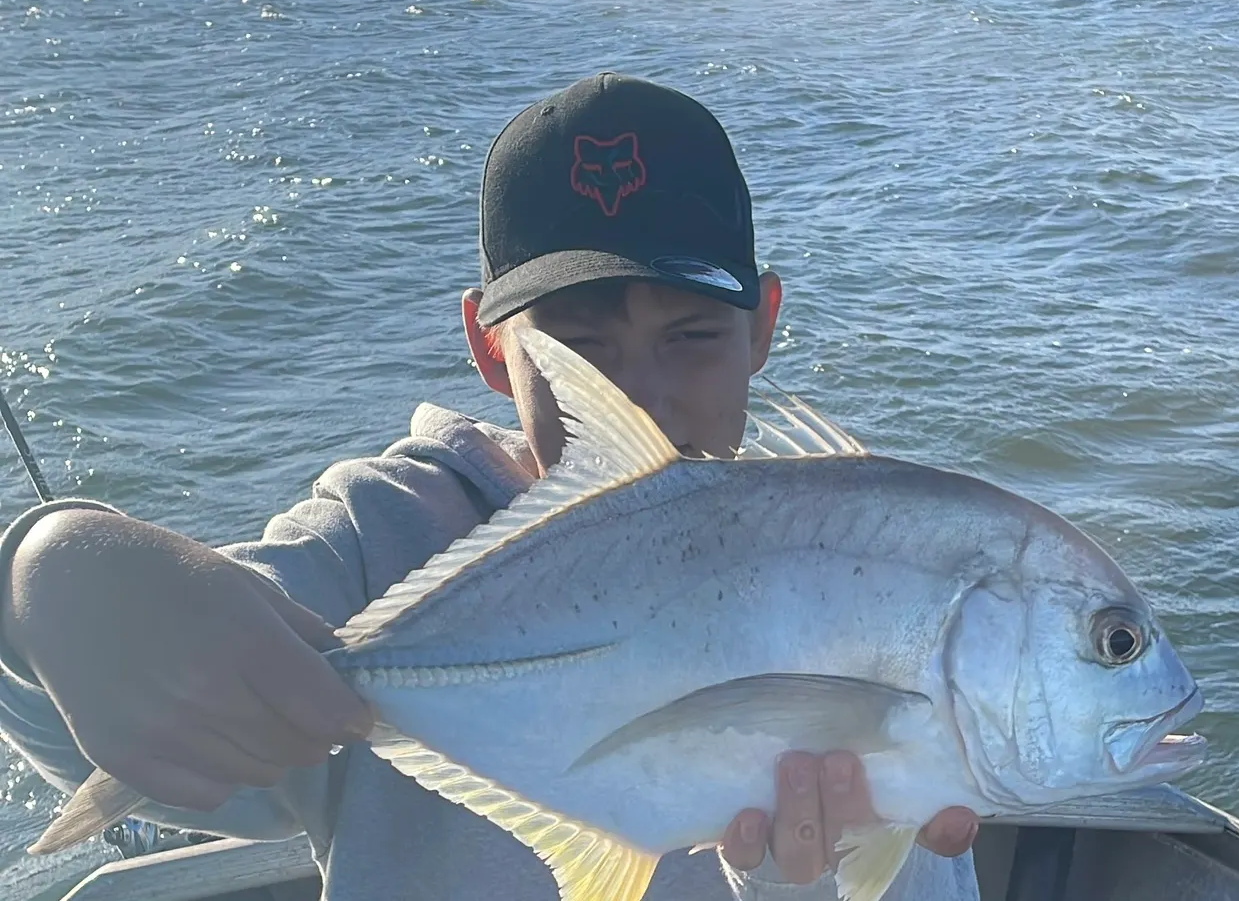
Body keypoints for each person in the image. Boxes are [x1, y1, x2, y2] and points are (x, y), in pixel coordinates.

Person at [0, 73, 980, 900]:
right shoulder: (375, 539)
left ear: (764, 325)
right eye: (578, 355)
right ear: (486, 345)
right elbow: (162, 741)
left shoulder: (860, 569)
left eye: (691, 338)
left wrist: (796, 878)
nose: (643, 397)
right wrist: (50, 573)